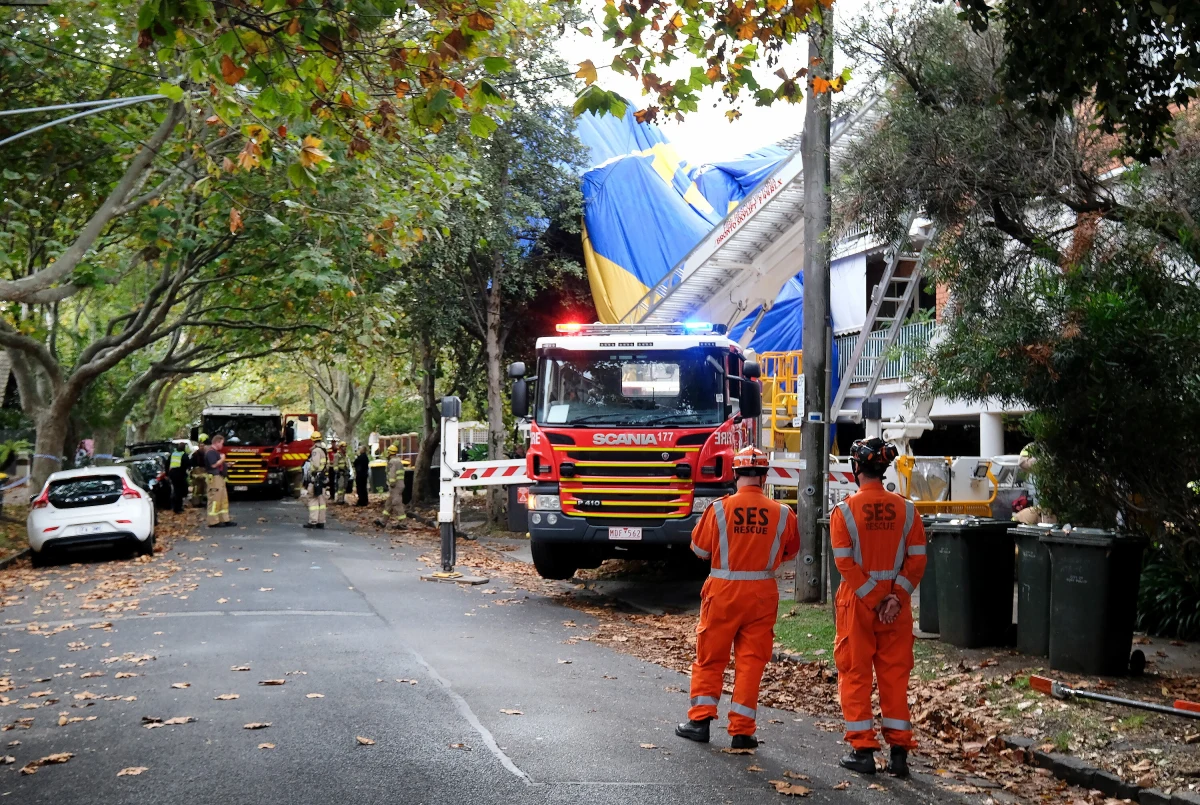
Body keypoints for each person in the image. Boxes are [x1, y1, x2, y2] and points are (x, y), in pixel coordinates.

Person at [676, 446, 800, 749]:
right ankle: (742, 731)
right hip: (762, 595)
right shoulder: (783, 514)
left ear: (736, 474)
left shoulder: (719, 508)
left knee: (710, 657)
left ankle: (700, 721)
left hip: (723, 593)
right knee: (751, 663)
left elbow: (699, 550)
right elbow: (790, 551)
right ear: (765, 476)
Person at [831, 437, 927, 778]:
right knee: (894, 677)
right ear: (884, 468)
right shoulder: (908, 510)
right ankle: (899, 753)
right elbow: (917, 562)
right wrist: (894, 598)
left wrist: (874, 598)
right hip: (895, 610)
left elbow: (844, 564)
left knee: (855, 674)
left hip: (857, 604)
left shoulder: (844, 511)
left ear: (856, 469)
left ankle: (863, 751)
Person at [205, 434, 235, 528]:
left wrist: (227, 464)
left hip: (220, 478)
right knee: (215, 500)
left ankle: (224, 519)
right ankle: (213, 521)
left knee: (223, 499)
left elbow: (219, 464)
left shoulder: (216, 452)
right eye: (222, 443)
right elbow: (213, 465)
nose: (223, 445)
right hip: (214, 478)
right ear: (217, 442)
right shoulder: (210, 452)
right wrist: (222, 459)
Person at [377, 445, 408, 529]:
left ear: (389, 452)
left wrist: (391, 484)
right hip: (399, 485)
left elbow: (392, 474)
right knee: (389, 504)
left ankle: (403, 523)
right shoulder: (398, 461)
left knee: (396, 504)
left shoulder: (392, 462)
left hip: (395, 486)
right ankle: (383, 521)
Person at [303, 431, 328, 529]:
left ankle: (313, 521)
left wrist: (312, 472)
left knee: (312, 498)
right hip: (322, 477)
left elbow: (316, 465)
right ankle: (321, 521)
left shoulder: (316, 451)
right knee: (321, 499)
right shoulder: (324, 450)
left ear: (313, 440)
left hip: (316, 477)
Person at [167, 441, 190, 514]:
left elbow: (167, 464)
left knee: (176, 490)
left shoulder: (173, 454)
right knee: (179, 492)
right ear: (184, 448)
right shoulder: (184, 455)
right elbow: (187, 464)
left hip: (173, 474)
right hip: (180, 475)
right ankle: (178, 508)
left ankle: (176, 507)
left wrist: (167, 474)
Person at [190, 435, 209, 508]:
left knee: (204, 489)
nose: (202, 447)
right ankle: (196, 503)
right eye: (201, 446)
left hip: (204, 472)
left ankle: (203, 502)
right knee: (197, 490)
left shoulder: (206, 454)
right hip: (197, 473)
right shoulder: (195, 454)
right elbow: (191, 464)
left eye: (203, 446)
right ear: (198, 446)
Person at [332, 440, 349, 505]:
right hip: (340, 473)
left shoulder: (345, 455)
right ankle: (339, 499)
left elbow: (347, 463)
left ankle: (342, 499)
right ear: (340, 447)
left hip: (345, 472)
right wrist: (337, 472)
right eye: (343, 447)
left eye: (345, 447)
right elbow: (335, 465)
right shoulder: (337, 455)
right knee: (340, 486)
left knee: (345, 486)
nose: (345, 448)